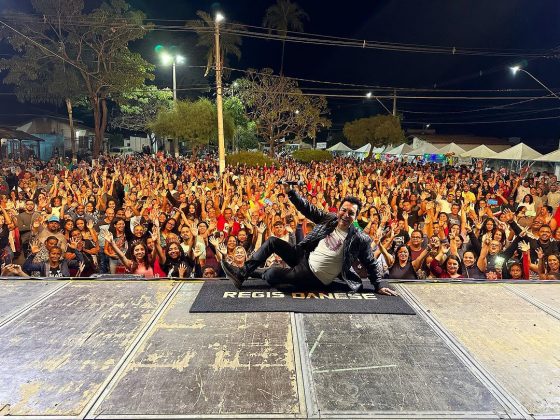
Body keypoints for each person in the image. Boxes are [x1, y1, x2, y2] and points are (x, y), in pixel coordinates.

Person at [221, 183, 397, 295]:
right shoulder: (330, 218)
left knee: (273, 273)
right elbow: (308, 209)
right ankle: (241, 273)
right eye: (344, 210)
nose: (346, 215)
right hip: (304, 257)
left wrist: (379, 284)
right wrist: (292, 193)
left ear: (357, 216)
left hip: (313, 275)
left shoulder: (360, 238)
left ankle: (254, 272)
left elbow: (371, 263)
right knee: (273, 241)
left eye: (351, 213)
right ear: (339, 209)